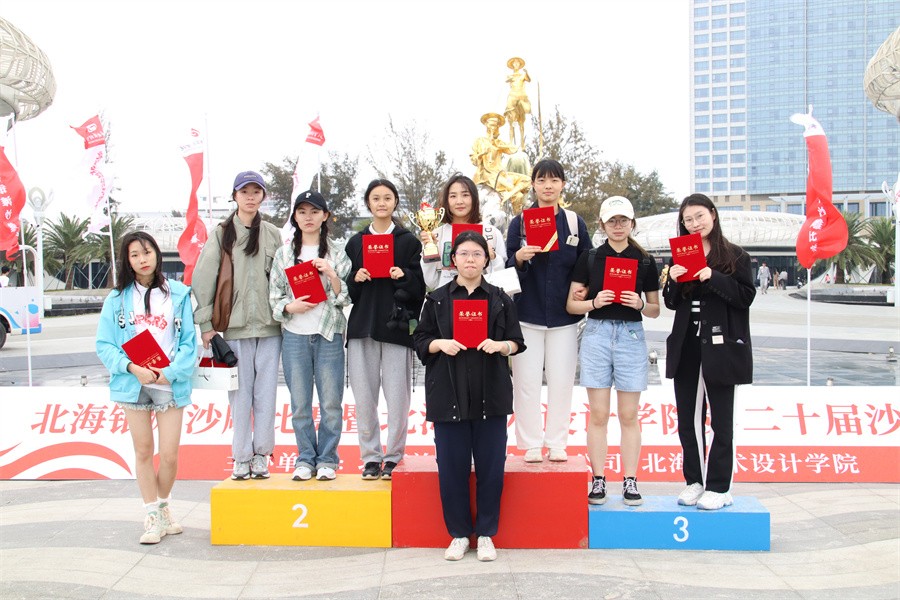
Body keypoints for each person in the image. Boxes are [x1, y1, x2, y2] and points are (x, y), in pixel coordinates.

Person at [413, 231, 525, 562]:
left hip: (491, 393)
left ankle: (487, 534)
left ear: (486, 260)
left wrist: (501, 346)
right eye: (464, 254)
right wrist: (440, 344)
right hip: (449, 394)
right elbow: (420, 340)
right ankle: (459, 534)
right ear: (453, 259)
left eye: (477, 254)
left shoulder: (500, 299)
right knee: (452, 469)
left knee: (491, 468)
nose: (470, 259)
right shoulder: (436, 299)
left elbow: (517, 342)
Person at [96, 231, 197, 544]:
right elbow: (104, 344)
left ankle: (164, 505)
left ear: (157, 254)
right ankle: (152, 514)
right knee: (143, 451)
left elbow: (189, 341)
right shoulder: (116, 299)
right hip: (133, 381)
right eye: (135, 254)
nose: (142, 259)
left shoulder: (179, 294)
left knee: (169, 454)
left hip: (168, 381)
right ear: (127, 261)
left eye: (147, 252)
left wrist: (171, 372)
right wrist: (132, 368)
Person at [663, 193, 755, 510]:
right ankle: (695, 481)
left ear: (713, 215)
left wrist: (712, 276)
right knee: (688, 419)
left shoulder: (735, 256)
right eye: (688, 220)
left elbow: (745, 297)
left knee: (721, 420)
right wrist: (674, 280)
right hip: (687, 343)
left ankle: (719, 486)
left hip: (721, 345)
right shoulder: (680, 255)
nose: (694, 224)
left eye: (699, 216)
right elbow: (671, 302)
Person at [566, 196, 660, 506]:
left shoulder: (645, 261)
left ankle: (630, 479)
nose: (618, 226)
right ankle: (598, 478)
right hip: (597, 333)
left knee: (629, 414)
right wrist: (594, 302)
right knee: (599, 413)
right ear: (603, 224)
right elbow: (572, 305)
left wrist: (641, 304)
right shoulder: (591, 257)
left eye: (623, 220)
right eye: (612, 221)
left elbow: (655, 309)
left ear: (632, 223)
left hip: (631, 336)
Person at [192, 171, 283, 480]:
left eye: (256, 191)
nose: (250, 196)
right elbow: (203, 278)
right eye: (245, 191)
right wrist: (206, 324)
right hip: (234, 328)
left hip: (271, 329)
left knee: (266, 395)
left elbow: (283, 278)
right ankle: (241, 457)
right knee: (240, 397)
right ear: (235, 196)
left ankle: (262, 456)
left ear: (263, 196)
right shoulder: (221, 234)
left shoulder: (272, 234)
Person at [505, 158, 592, 463]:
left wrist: (585, 288)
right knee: (526, 383)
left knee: (562, 382)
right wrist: (519, 257)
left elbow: (587, 262)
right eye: (541, 180)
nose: (548, 186)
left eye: (554, 180)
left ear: (563, 184)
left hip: (563, 317)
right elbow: (507, 269)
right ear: (533, 185)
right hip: (526, 316)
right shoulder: (519, 222)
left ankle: (557, 442)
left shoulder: (574, 223)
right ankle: (530, 443)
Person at [344, 179, 426, 480]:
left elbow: (420, 289)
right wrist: (356, 277)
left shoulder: (408, 242)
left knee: (397, 397)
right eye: (376, 198)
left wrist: (403, 275)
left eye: (387, 198)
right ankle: (370, 458)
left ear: (395, 202)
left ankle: (393, 457)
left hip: (396, 327)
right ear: (368, 203)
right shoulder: (355, 243)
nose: (381, 203)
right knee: (364, 399)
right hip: (362, 327)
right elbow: (348, 292)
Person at [269, 190, 351, 482]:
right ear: (295, 217)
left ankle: (327, 459)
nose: (308, 217)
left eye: (315, 211)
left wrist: (331, 274)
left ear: (325, 216)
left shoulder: (337, 252)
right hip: (295, 336)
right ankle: (305, 458)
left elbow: (346, 297)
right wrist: (289, 306)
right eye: (302, 212)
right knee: (300, 404)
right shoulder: (284, 254)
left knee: (331, 403)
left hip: (328, 334)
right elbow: (274, 296)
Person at [420, 173, 507, 290]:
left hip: (483, 299)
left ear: (474, 198)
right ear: (446, 200)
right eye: (453, 196)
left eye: (465, 195)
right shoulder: (436, 235)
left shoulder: (491, 233)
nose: (459, 201)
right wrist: (430, 251)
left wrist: (492, 256)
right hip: (446, 299)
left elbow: (501, 276)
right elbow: (431, 281)